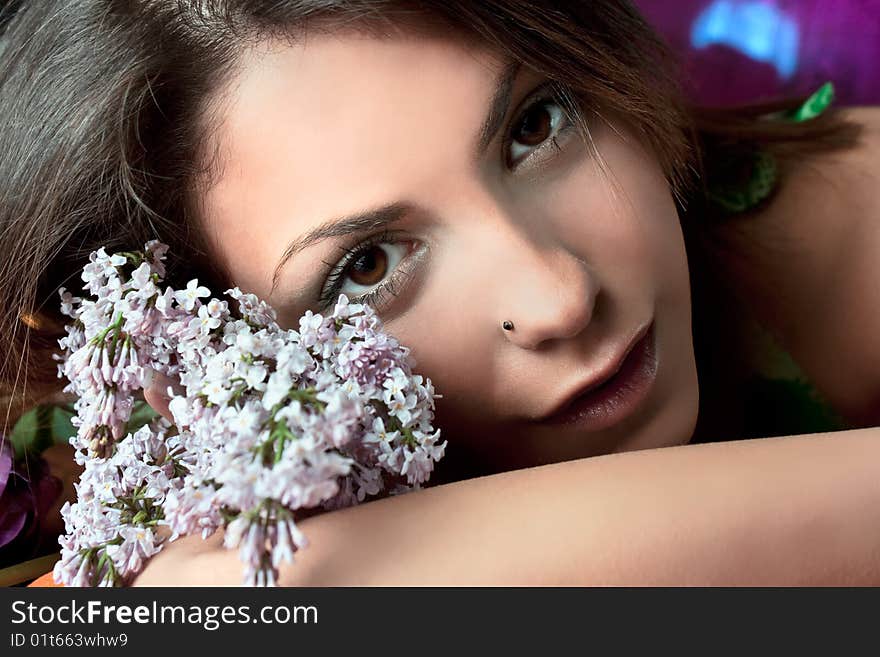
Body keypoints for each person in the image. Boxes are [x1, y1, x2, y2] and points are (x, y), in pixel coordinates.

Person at [2, 0, 879, 586]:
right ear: (187, 366)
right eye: (373, 264)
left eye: (537, 127)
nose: (560, 298)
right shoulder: (125, 517)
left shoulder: (838, 233)